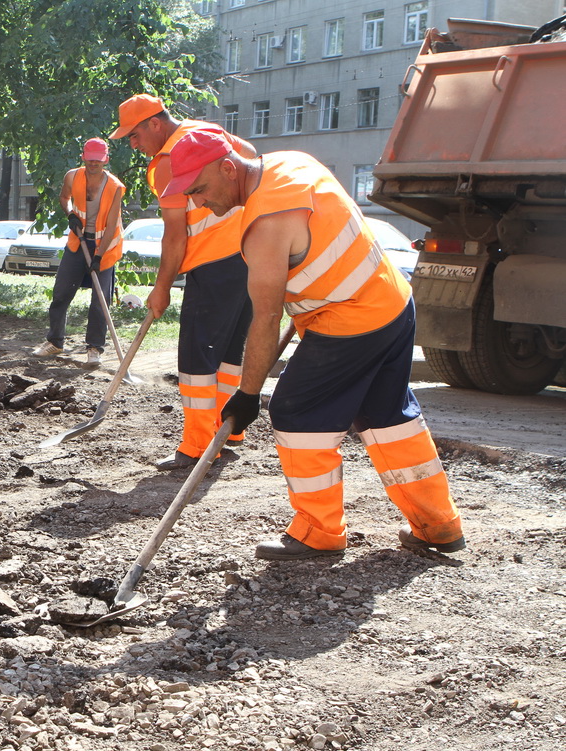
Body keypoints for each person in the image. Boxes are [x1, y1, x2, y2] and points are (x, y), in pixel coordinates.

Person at [160, 126, 465, 560]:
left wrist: (247, 395)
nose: (197, 203)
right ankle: (439, 524)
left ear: (228, 169)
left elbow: (266, 320)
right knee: (388, 416)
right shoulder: (291, 162)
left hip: (350, 320)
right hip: (391, 301)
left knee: (296, 412)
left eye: (199, 189)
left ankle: (319, 531)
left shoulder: (265, 227)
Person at [110, 94, 259, 471]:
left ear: (155, 124)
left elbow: (175, 235)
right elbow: (251, 155)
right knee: (228, 353)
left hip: (214, 263)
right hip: (250, 254)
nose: (133, 145)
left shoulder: (168, 162)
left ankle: (197, 446)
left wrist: (161, 287)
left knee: (197, 359)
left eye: (134, 135)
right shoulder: (206, 131)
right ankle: (228, 431)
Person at [31, 138, 124, 367]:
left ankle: (94, 348)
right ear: (83, 157)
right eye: (90, 159)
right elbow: (65, 198)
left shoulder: (115, 187)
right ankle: (55, 342)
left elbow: (111, 227)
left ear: (106, 160)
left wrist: (99, 256)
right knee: (61, 293)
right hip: (77, 243)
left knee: (100, 300)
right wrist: (70, 214)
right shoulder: (72, 177)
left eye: (98, 160)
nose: (93, 163)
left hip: (105, 247)